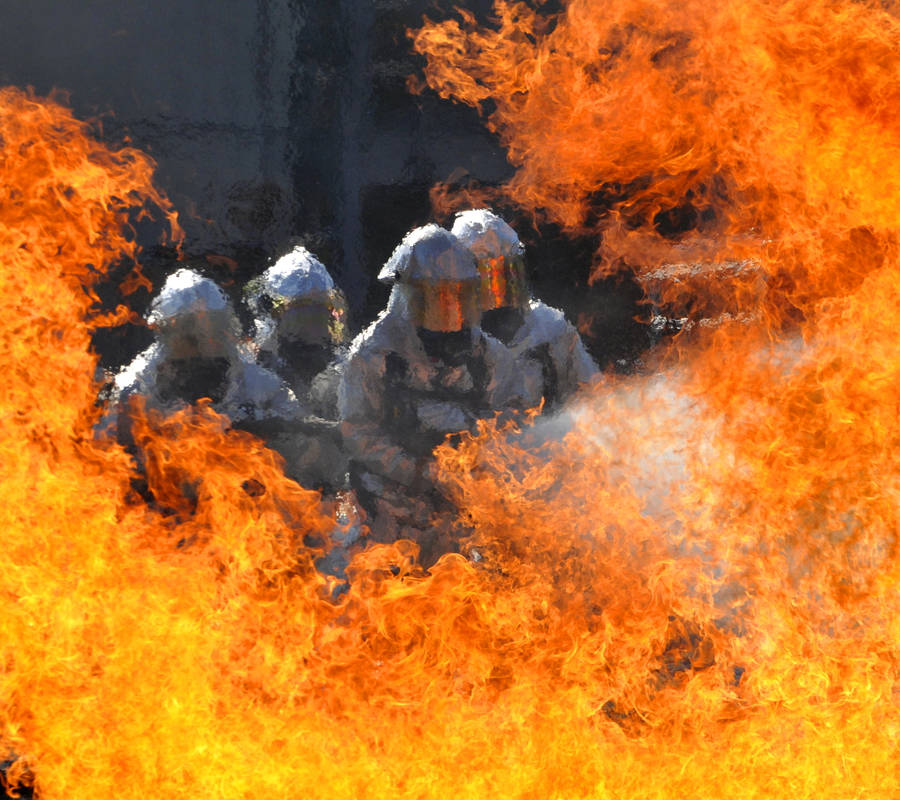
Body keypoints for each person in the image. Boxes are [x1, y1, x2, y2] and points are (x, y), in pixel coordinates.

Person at [338, 224, 516, 564]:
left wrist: (472, 433)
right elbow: (357, 431)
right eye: (437, 298)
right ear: (409, 297)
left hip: (462, 513)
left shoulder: (489, 357)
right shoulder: (373, 355)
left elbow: (517, 418)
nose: (449, 310)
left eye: (458, 296)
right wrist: (418, 470)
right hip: (386, 512)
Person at [105, 268, 300, 446]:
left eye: (211, 331)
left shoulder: (262, 387)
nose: (202, 345)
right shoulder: (136, 388)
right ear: (166, 333)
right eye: (189, 333)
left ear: (226, 331)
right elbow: (104, 456)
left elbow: (296, 435)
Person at [451, 208, 597, 410]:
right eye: (488, 274)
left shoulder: (550, 327)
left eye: (506, 272)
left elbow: (594, 399)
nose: (499, 286)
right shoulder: (439, 337)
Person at [244, 245, 349, 419]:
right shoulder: (256, 369)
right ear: (277, 313)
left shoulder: (344, 369)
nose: (315, 320)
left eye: (322, 309)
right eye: (302, 309)